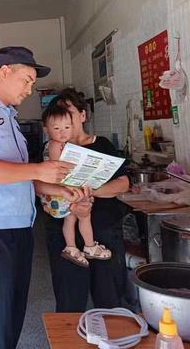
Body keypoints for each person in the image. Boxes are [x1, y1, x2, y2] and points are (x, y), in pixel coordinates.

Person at [0, 46, 76, 349]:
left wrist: (60, 189)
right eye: (27, 80)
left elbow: (19, 178)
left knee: (10, 321)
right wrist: (40, 169)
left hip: (19, 230)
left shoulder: (9, 117)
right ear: (5, 71)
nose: (30, 89)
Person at [35, 88, 130, 312]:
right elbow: (38, 185)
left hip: (103, 231)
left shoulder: (102, 145)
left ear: (82, 115)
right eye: (58, 115)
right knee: (69, 299)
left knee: (109, 297)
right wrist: (68, 195)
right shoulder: (52, 149)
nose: (64, 120)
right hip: (63, 233)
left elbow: (123, 184)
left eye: (68, 113)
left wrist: (88, 193)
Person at [40, 103, 112, 267]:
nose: (63, 132)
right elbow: (58, 167)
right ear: (46, 130)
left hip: (60, 194)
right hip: (59, 194)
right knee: (84, 215)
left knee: (71, 218)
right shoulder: (54, 144)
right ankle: (89, 246)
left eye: (67, 127)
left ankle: (72, 247)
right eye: (57, 128)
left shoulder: (64, 145)